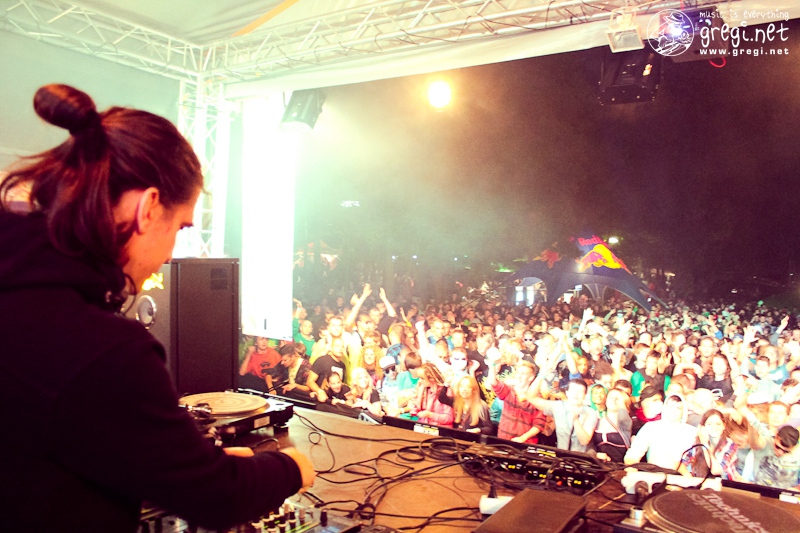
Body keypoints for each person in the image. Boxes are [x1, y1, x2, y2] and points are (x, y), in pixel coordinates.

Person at [0, 85, 314, 532]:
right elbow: (217, 497)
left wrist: (171, 462)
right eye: (180, 227)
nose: (169, 254)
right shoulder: (101, 348)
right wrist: (290, 468)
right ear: (148, 207)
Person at [679, 409, 738, 480]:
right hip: (700, 482)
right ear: (703, 427)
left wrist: (705, 445)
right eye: (710, 424)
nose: (714, 427)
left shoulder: (730, 445)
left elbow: (716, 471)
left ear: (723, 426)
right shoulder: (696, 442)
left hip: (724, 483)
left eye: (718, 424)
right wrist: (687, 475)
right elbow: (681, 463)